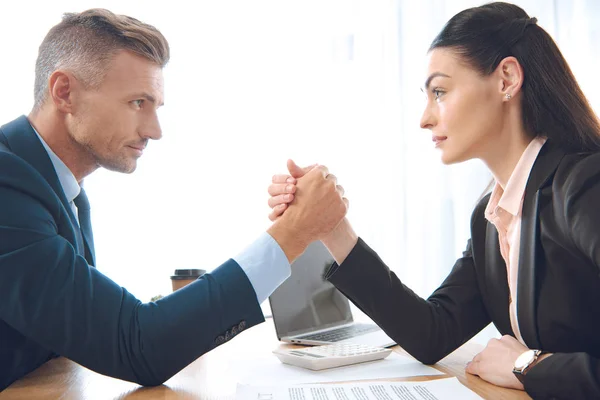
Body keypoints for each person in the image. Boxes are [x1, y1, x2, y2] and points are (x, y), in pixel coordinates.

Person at [0, 9, 348, 390]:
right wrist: (291, 235)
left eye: (156, 107)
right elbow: (135, 345)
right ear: (64, 92)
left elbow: (77, 325)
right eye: (137, 103)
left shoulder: (59, 188)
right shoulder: (7, 185)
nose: (155, 130)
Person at [268, 2, 600, 399]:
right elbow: (433, 332)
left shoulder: (584, 185)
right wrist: (333, 227)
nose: (424, 118)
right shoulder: (492, 216)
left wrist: (526, 365)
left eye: (439, 91)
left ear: (506, 78)